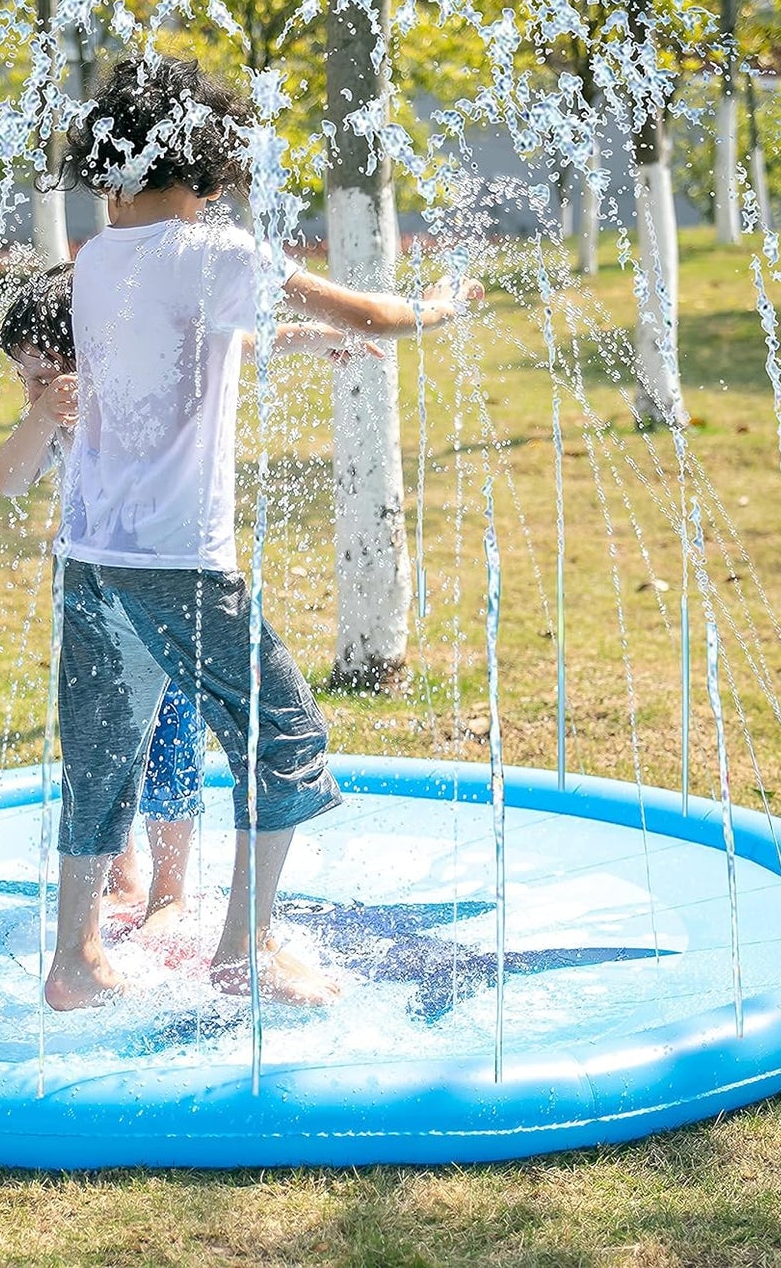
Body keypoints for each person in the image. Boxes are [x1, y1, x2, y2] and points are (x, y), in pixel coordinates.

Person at [44, 52, 480, 1011]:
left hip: (89, 559)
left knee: (102, 752)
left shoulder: (97, 258)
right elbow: (365, 308)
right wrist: (436, 309)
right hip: (177, 563)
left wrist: (291, 341)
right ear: (206, 167)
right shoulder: (220, 251)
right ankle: (245, 948)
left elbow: (178, 339)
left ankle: (75, 959)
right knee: (283, 736)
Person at [0, 261, 373, 934]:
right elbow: (7, 480)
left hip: (173, 586)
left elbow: (241, 346)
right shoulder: (59, 417)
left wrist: (316, 337)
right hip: (97, 595)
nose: (34, 387)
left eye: (43, 373)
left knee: (174, 730)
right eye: (26, 376)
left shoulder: (160, 379)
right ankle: (122, 873)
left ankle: (169, 891)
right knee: (107, 739)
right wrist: (42, 415)